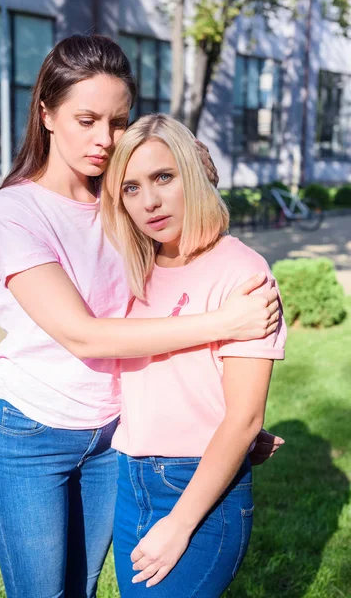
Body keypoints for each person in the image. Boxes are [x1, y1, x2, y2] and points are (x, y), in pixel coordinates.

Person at [0, 35, 282, 598]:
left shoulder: (122, 201)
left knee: (85, 588)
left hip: (115, 435)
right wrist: (226, 322)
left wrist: (229, 425)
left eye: (117, 121)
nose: (104, 139)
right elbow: (84, 334)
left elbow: (179, 270)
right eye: (86, 119)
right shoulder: (14, 211)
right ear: (46, 113)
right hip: (30, 431)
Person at [101, 113, 287, 597]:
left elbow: (244, 418)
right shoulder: (135, 268)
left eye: (164, 177)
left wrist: (179, 523)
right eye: (131, 188)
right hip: (130, 476)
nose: (150, 201)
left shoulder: (241, 271)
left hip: (198, 487)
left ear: (192, 172)